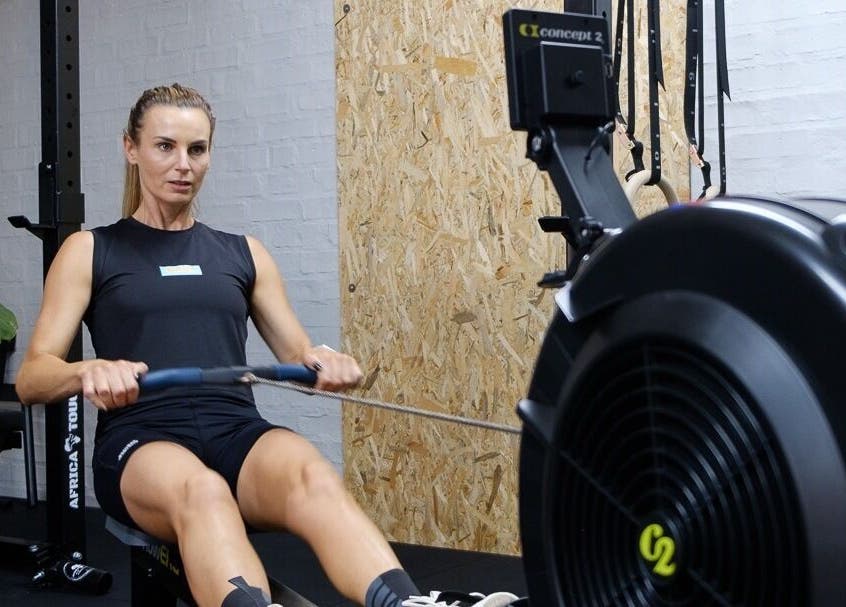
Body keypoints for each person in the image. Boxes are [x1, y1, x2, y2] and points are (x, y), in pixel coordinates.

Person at [14, 84, 518, 607]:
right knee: (203, 492)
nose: (182, 163)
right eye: (165, 146)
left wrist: (326, 362)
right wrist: (88, 371)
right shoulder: (92, 249)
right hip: (143, 441)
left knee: (313, 474)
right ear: (131, 148)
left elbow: (299, 352)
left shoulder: (242, 252)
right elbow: (33, 378)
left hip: (236, 431)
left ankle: (406, 604)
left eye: (197, 149)